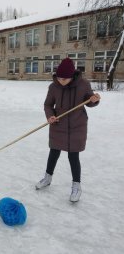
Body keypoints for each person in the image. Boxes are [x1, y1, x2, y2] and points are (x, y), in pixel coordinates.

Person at [36, 58, 101, 202]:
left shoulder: (83, 84)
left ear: (72, 76)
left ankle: (76, 186)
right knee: (53, 152)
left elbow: (89, 101)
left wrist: (94, 99)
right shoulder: (53, 87)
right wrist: (50, 116)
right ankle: (47, 178)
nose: (61, 81)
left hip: (77, 126)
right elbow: (48, 105)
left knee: (73, 156)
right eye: (59, 78)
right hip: (58, 125)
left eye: (64, 78)